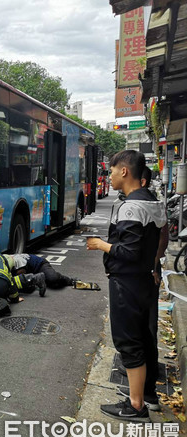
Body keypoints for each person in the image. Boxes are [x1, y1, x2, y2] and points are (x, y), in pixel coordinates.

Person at [87, 150, 166, 422]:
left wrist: (100, 244)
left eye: (110, 171)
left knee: (128, 341)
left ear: (124, 171)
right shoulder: (153, 202)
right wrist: (154, 266)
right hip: (144, 280)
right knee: (143, 338)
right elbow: (158, 240)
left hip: (127, 283)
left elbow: (129, 252)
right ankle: (143, 396)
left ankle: (135, 406)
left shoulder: (131, 207)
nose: (108, 177)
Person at [4, 253, 75, 288]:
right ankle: (41, 279)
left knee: (53, 278)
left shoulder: (18, 263)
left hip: (40, 264)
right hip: (31, 270)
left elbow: (21, 279)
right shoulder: (5, 260)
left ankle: (70, 280)